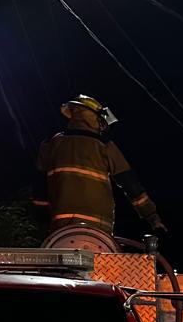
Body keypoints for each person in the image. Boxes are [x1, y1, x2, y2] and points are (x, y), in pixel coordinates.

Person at [34, 95, 164, 237]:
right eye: (101, 120)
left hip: (59, 226)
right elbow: (130, 184)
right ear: (92, 117)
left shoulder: (50, 144)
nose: (103, 125)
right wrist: (152, 217)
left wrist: (41, 223)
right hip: (98, 226)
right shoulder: (104, 145)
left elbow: (40, 187)